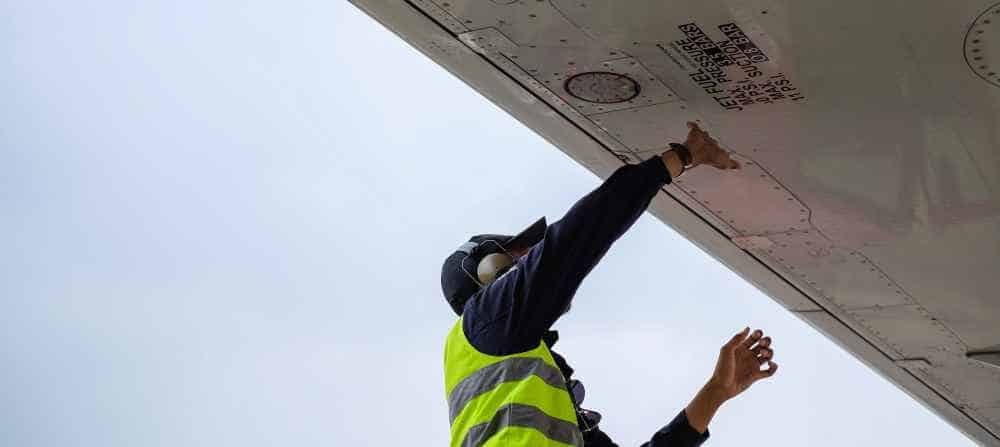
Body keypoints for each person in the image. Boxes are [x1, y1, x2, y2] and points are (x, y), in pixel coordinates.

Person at [440, 122, 778, 446]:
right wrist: (680, 157)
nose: (531, 259)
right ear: (488, 274)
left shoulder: (525, 378)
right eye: (519, 255)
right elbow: (578, 237)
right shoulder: (484, 322)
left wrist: (715, 392)